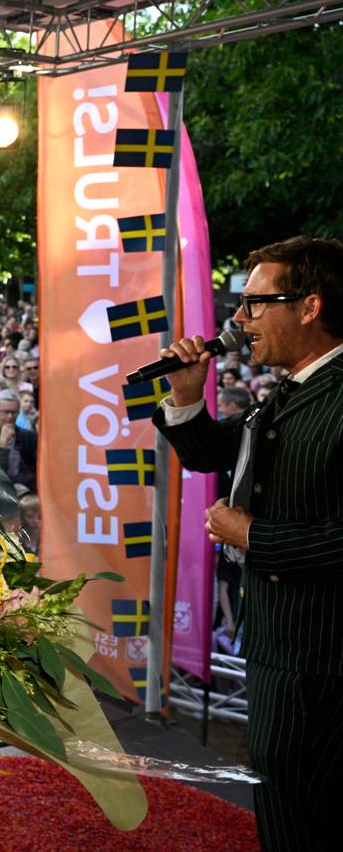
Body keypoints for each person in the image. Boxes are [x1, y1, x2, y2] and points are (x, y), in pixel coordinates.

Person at [154, 235, 343, 851]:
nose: (238, 320)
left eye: (254, 304)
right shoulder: (289, 390)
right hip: (276, 646)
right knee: (281, 806)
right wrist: (186, 394)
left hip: (320, 662)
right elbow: (221, 454)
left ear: (309, 307)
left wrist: (254, 535)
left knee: (305, 813)